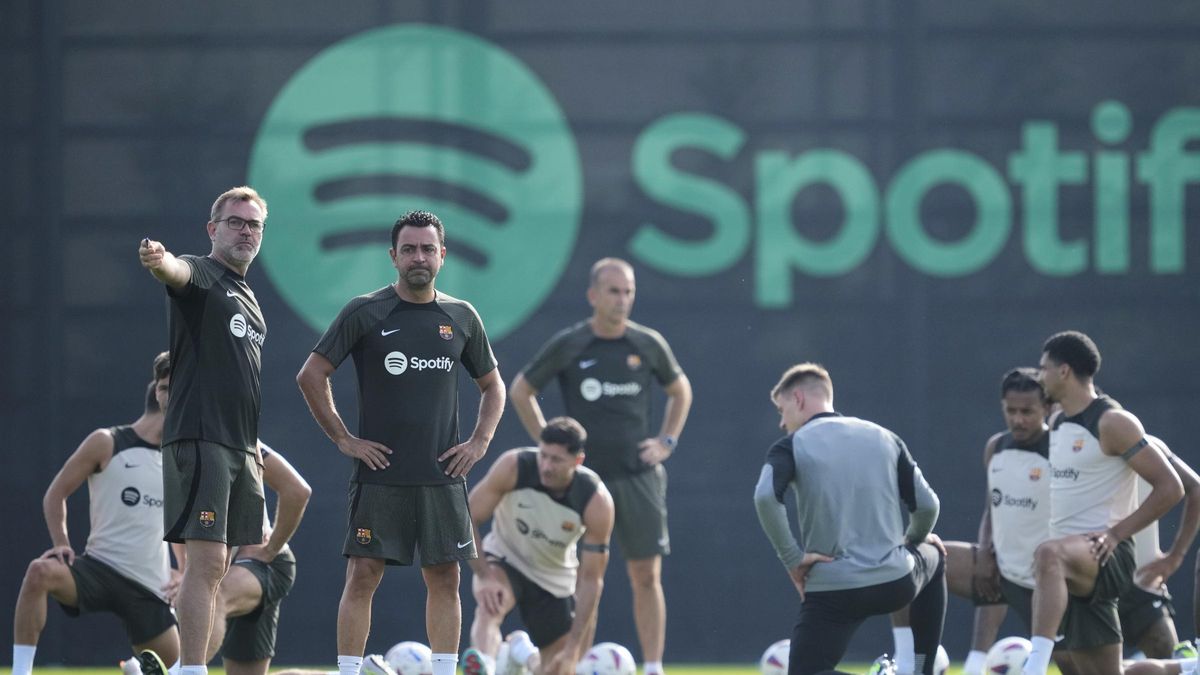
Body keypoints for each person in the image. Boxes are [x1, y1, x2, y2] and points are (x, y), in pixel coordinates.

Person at [296, 210, 505, 675]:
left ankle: (445, 670)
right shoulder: (365, 310)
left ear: (442, 256)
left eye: (428, 249)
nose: (418, 257)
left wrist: (479, 441)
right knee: (363, 575)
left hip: (442, 476)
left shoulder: (461, 316)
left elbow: (494, 385)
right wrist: (344, 438)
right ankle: (349, 672)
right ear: (393, 256)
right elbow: (311, 375)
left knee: (445, 578)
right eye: (409, 249)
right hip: (380, 477)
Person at [509, 257, 691, 675]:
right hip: (584, 483)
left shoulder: (647, 343)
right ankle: (570, 663)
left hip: (637, 476)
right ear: (593, 295)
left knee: (646, 574)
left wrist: (665, 442)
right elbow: (521, 390)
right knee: (579, 578)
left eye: (628, 291)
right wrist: (549, 448)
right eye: (614, 291)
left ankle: (653, 667)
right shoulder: (571, 343)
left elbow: (680, 390)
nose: (622, 299)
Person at [137, 187, 270, 675]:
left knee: (220, 569)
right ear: (213, 229)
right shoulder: (202, 273)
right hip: (201, 438)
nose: (245, 231)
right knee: (207, 563)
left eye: (253, 224)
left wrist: (251, 446)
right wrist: (159, 260)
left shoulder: (249, 296)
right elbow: (176, 270)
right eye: (235, 222)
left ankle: (185, 669)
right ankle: (190, 670)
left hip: (240, 448)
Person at [753, 363, 946, 675]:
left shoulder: (791, 445)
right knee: (935, 552)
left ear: (799, 399)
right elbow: (928, 505)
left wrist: (792, 559)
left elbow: (764, 497)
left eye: (781, 408)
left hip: (832, 588)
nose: (781, 422)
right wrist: (912, 540)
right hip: (895, 582)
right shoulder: (884, 437)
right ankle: (921, 669)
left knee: (805, 672)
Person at [1021, 331, 1184, 675]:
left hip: (1106, 555)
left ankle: (1033, 667)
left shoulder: (1113, 422)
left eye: (1044, 368)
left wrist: (1116, 534)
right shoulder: (1058, 421)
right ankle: (1188, 668)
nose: (1040, 376)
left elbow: (1171, 488)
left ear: (1064, 371)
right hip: (1076, 564)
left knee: (1047, 553)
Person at [12, 353, 177, 675]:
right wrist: (61, 542)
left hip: (150, 587)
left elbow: (179, 525)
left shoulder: (179, 459)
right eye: (172, 389)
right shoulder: (107, 442)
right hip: (99, 569)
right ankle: (20, 672)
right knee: (38, 572)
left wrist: (184, 572)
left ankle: (136, 670)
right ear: (160, 394)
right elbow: (55, 494)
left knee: (178, 670)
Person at [461, 417, 614, 675]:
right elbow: (467, 518)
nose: (546, 466)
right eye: (543, 455)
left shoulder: (596, 501)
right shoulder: (514, 466)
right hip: (505, 559)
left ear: (578, 461)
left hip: (554, 579)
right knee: (490, 607)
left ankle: (522, 654)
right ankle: (485, 664)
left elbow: (591, 580)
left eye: (556, 460)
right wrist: (484, 576)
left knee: (556, 669)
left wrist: (573, 649)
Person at [199, 440, 310, 675]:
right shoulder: (168, 448)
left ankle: (181, 670)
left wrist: (270, 550)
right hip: (229, 570)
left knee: (216, 596)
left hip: (260, 565)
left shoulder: (237, 435)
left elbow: (298, 491)